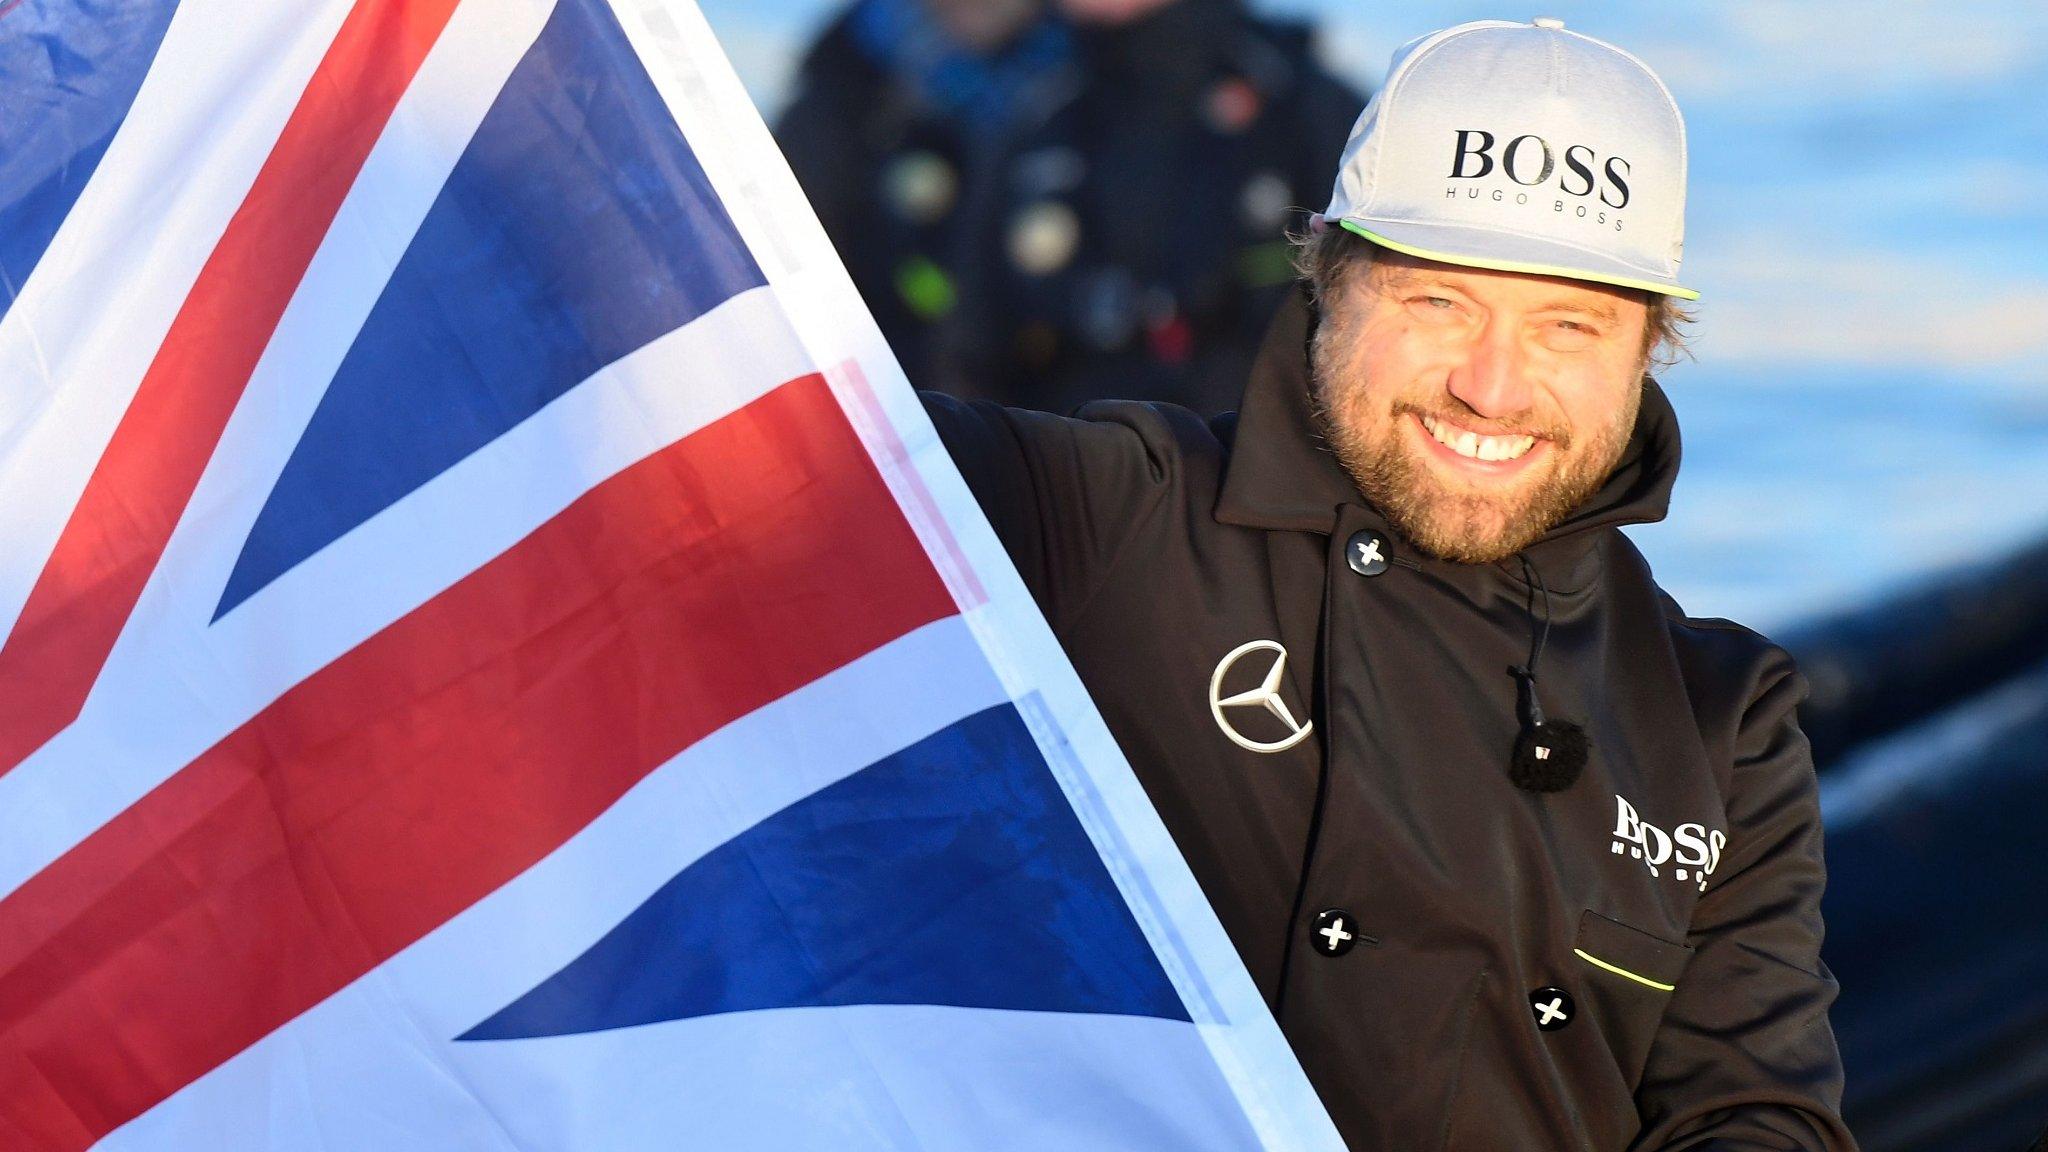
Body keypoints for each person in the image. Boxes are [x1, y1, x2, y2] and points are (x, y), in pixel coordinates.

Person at [922, 18, 1857, 1150]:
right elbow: (755, 439)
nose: (1491, 387)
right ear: (1325, 276)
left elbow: (1753, 1119)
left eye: (1567, 325)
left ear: (1647, 349)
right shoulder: (1110, 513)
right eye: (1436, 303)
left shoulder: (1721, 716)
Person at [778, 0, 1362, 415]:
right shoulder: (1028, 109)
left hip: (1239, 498)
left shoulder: (1302, 109)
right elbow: (970, 344)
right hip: (1057, 505)